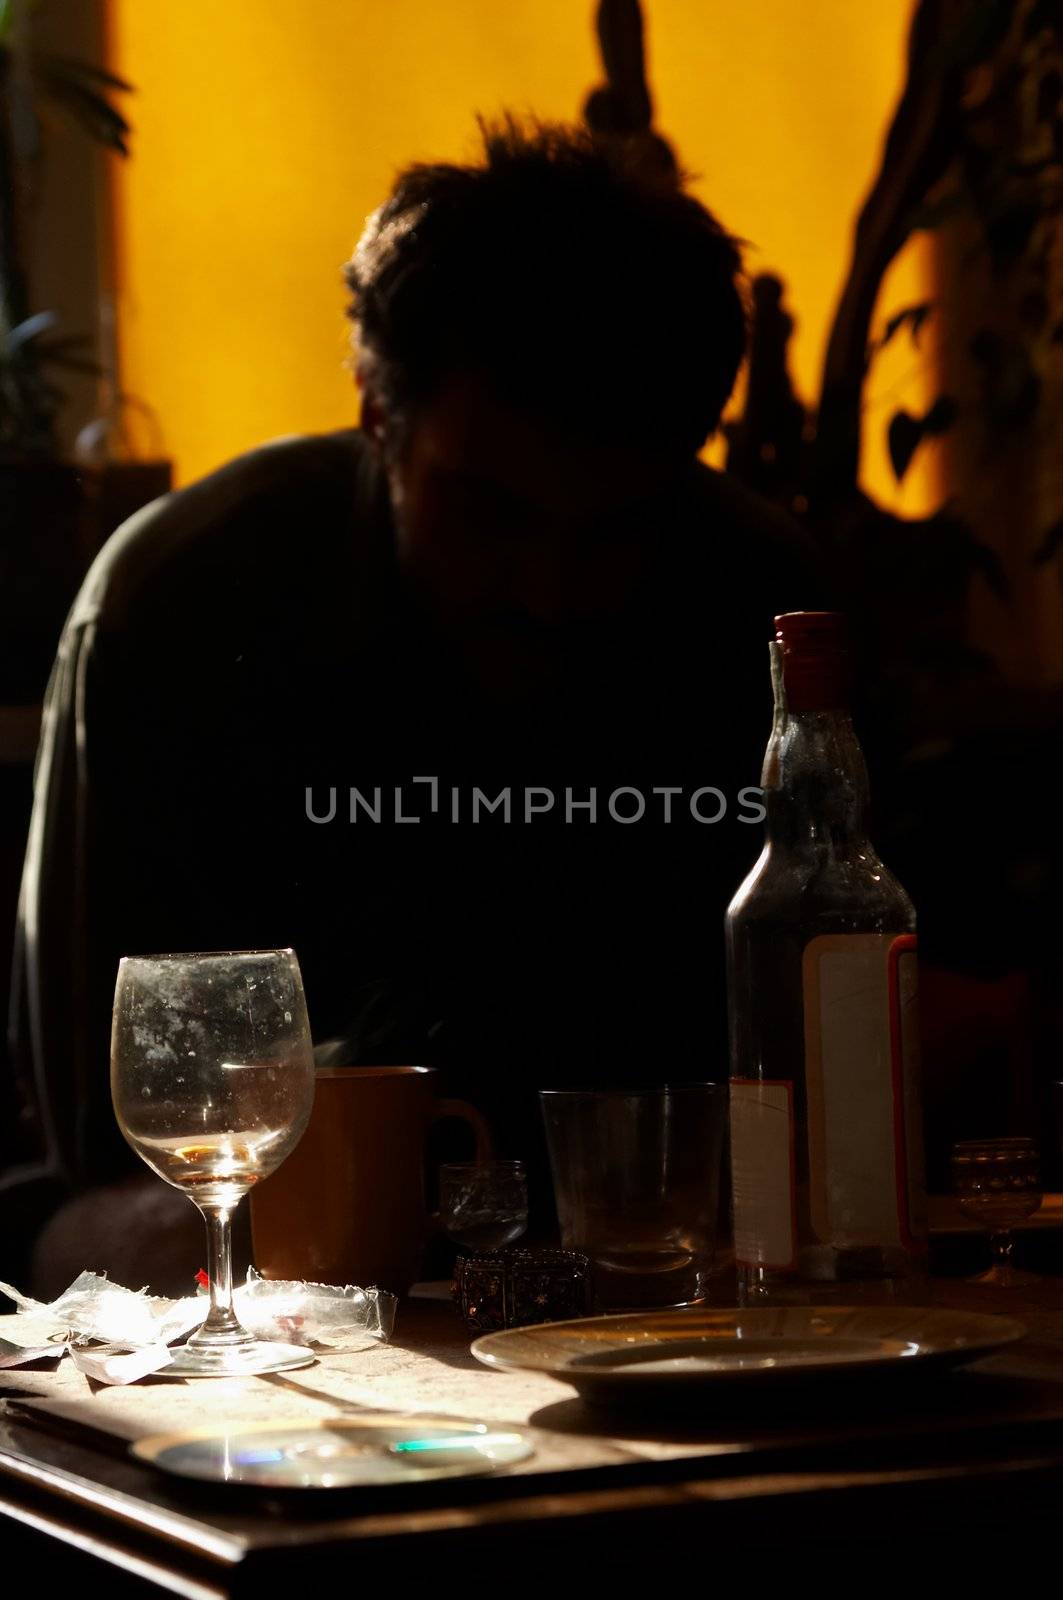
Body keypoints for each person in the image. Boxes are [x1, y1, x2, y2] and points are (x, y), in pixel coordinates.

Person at [9, 119, 825, 1287]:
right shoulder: (183, 606)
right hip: (277, 1286)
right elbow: (110, 1141)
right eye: (491, 510)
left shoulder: (760, 606)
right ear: (376, 413)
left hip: (677, 1277)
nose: (548, 591)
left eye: (618, 528)